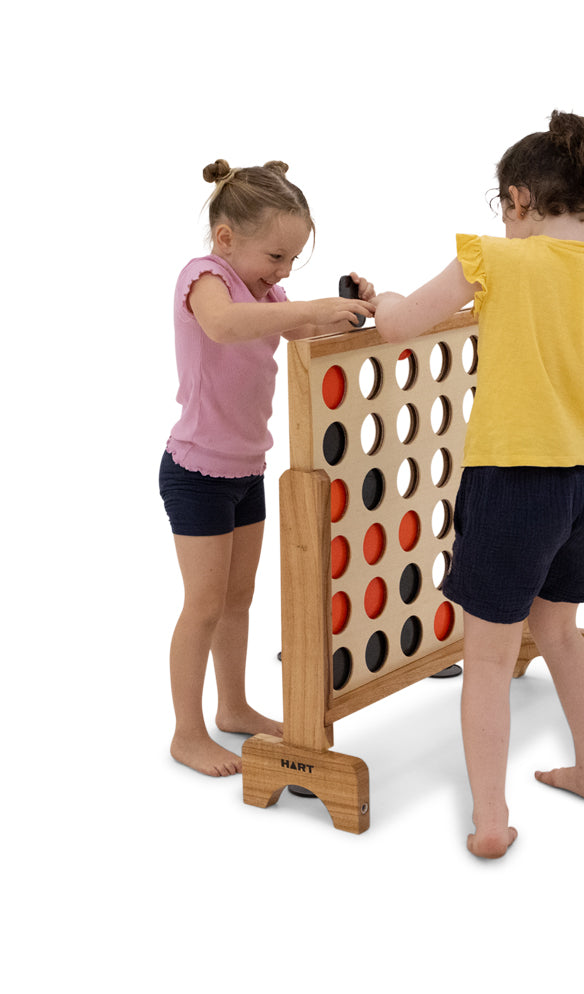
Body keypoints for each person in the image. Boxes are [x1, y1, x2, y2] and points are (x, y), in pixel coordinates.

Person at [371, 112, 584, 857]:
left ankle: (490, 820)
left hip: (512, 485)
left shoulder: (495, 261)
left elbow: (402, 324)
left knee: (488, 658)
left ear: (518, 200)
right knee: (560, 634)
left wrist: (381, 300)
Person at [160, 159, 375, 777]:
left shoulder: (268, 295)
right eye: (276, 257)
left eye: (292, 261)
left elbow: (307, 331)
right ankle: (186, 733)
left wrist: (350, 308)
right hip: (196, 472)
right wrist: (304, 306)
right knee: (203, 604)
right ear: (227, 238)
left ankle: (233, 707)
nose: (282, 272)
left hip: (247, 471)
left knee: (239, 598)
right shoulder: (205, 278)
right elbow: (225, 326)